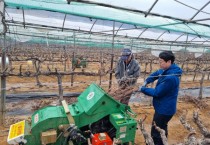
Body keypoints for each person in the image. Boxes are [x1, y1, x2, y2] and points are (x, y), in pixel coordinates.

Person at [139, 51, 182, 145]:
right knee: (162, 128)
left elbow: (157, 92)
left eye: (161, 61)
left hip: (164, 110)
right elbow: (157, 73)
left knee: (156, 131)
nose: (159, 63)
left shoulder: (171, 77)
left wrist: (143, 89)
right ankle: (163, 142)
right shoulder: (167, 70)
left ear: (169, 62)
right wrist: (147, 80)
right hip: (164, 107)